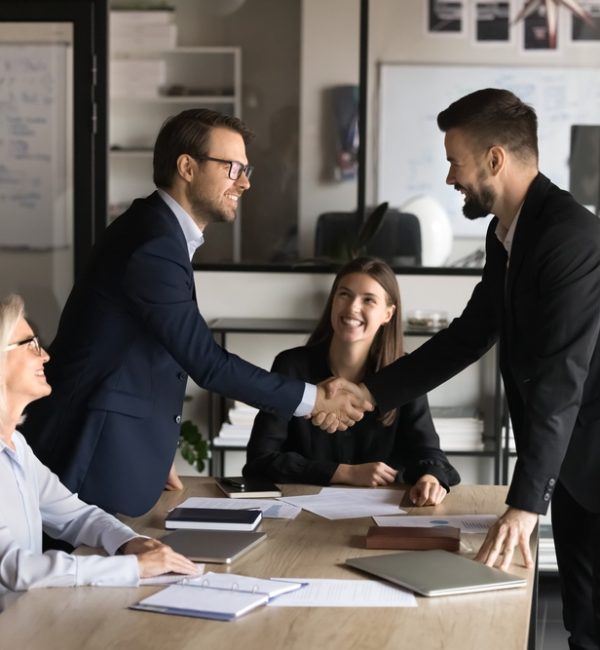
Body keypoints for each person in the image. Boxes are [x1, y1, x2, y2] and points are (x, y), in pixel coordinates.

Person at [320, 89, 600, 650]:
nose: (450, 177)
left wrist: (523, 506)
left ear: (495, 159)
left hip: (588, 456)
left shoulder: (568, 237)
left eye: (455, 160)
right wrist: (368, 394)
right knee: (583, 624)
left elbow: (558, 381)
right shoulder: (509, 233)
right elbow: (468, 338)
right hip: (569, 462)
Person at [21, 108, 370, 518]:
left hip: (109, 445)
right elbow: (207, 363)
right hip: (82, 447)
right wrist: (313, 400)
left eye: (245, 168)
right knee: (61, 576)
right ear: (187, 167)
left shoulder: (158, 232)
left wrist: (149, 442)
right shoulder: (153, 244)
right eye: (233, 168)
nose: (245, 181)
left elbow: (149, 350)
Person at [0, 294, 198, 593]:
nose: (45, 356)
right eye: (30, 344)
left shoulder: (16, 444)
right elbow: (16, 569)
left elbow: (75, 515)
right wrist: (134, 568)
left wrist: (131, 542)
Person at [243, 257, 460, 505]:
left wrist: (431, 477)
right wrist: (344, 473)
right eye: (344, 295)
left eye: (368, 300)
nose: (352, 308)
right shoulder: (291, 366)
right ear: (333, 302)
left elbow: (429, 453)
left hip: (385, 511)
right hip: (300, 510)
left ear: (388, 314)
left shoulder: (404, 373)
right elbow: (259, 461)